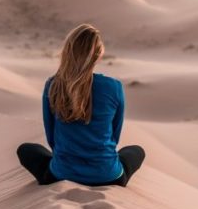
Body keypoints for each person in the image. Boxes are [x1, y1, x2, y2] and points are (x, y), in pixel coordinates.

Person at [17, 23, 146, 187]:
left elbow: (51, 139)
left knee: (27, 150)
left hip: (61, 174)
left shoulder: (53, 85)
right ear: (98, 54)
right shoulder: (114, 87)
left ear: (67, 52)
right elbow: (115, 136)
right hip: (108, 175)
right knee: (136, 151)